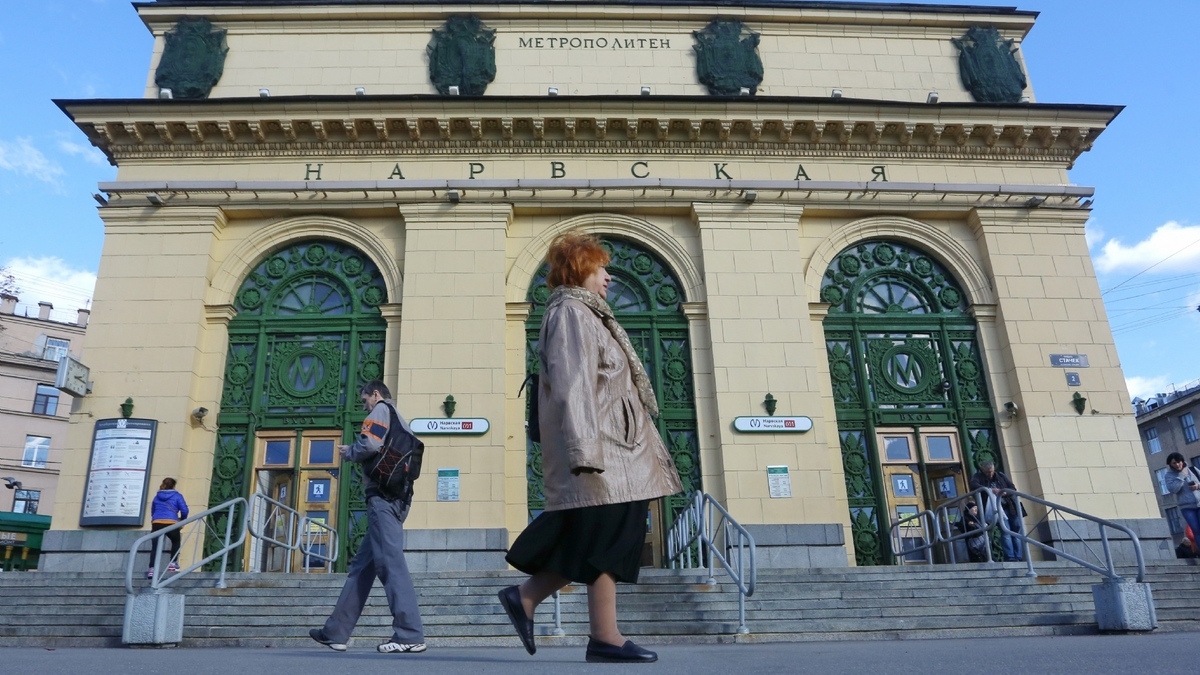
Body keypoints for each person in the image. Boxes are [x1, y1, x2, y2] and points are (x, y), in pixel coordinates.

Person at [498, 231, 683, 664]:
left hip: (617, 447)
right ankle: (599, 633)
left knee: (602, 535)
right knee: (608, 535)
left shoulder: (588, 314)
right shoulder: (571, 313)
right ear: (581, 270)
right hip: (604, 450)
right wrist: (584, 451)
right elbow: (572, 383)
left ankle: (534, 602)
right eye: (602, 269)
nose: (609, 278)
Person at [310, 380, 425, 655]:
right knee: (362, 567)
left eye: (365, 401)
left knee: (390, 563)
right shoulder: (402, 421)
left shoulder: (381, 410)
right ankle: (335, 632)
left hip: (382, 500)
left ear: (376, 394)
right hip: (397, 499)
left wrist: (349, 451)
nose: (365, 406)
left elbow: (370, 445)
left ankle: (409, 634)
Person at [968, 460, 1024, 562]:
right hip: (997, 509)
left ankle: (1019, 556)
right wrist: (989, 489)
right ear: (983, 470)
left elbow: (1012, 487)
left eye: (991, 472)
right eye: (987, 472)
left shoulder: (1001, 476)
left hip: (1010, 507)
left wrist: (1005, 492)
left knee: (1016, 530)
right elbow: (973, 486)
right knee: (1005, 531)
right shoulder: (978, 477)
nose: (990, 474)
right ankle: (1010, 557)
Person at [147, 477, 188, 579]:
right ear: (173, 485)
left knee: (155, 547)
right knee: (175, 541)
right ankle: (173, 564)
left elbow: (153, 510)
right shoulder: (177, 496)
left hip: (157, 523)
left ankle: (152, 569)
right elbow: (185, 510)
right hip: (171, 522)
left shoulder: (157, 496)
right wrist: (181, 520)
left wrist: (155, 519)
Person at [1164, 452, 1200, 555]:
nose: (1177, 465)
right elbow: (1173, 489)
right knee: (1196, 530)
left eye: (1178, 462)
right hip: (1187, 507)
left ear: (1182, 461)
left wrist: (1197, 486)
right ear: (1170, 464)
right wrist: (1181, 476)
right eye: (1174, 463)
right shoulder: (1169, 476)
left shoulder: (1192, 470)